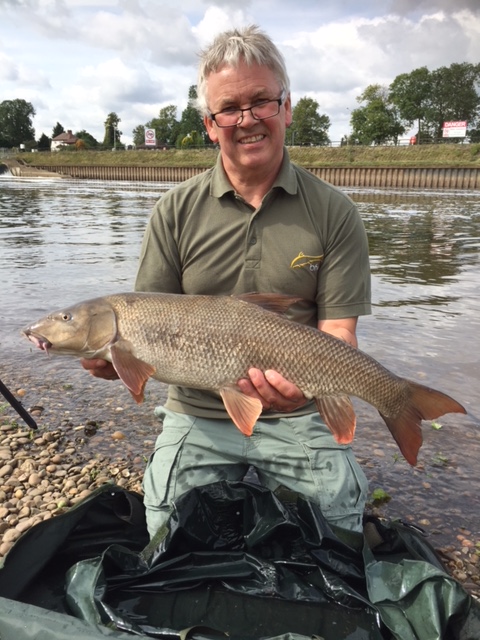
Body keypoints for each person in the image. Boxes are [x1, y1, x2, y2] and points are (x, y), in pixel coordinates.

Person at [82, 25, 371, 539]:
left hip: (297, 410)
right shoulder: (173, 211)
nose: (247, 120)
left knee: (339, 528)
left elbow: (340, 334)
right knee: (167, 531)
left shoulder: (335, 212)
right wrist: (114, 362)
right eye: (229, 109)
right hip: (198, 411)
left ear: (286, 107)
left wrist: (301, 391)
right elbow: (146, 322)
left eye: (261, 101)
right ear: (210, 125)